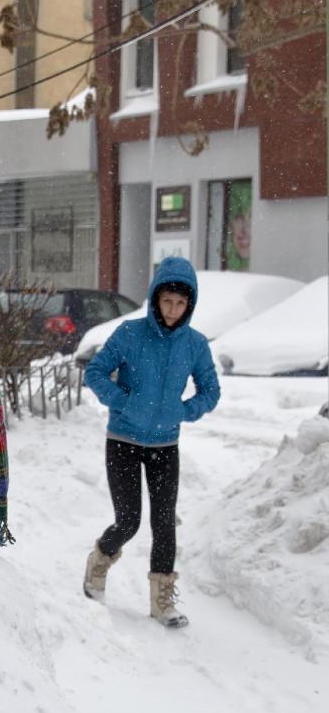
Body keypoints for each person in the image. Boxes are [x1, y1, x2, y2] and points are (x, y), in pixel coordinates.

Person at [82, 256, 220, 627]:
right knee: (128, 521)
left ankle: (162, 600)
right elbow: (94, 372)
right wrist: (123, 402)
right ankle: (100, 559)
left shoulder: (194, 344)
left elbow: (210, 391)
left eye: (181, 303)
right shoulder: (129, 334)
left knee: (164, 523)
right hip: (123, 439)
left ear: (189, 304)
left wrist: (183, 411)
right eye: (167, 301)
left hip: (165, 446)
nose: (173, 310)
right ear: (156, 298)